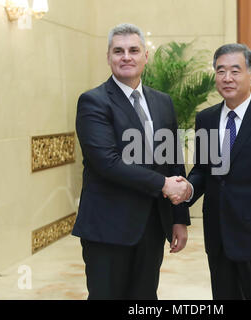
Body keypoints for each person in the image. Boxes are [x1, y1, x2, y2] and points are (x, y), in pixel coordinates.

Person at [72, 23, 191, 300]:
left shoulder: (163, 102)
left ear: (145, 56)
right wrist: (163, 184)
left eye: (133, 50)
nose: (126, 56)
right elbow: (107, 162)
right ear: (109, 57)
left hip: (151, 226)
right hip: (107, 229)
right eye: (119, 51)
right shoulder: (93, 102)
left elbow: (173, 159)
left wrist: (179, 219)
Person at [178, 43, 251, 299]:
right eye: (221, 71)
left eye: (235, 70)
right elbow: (203, 169)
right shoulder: (206, 119)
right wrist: (188, 189)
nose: (227, 78)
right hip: (218, 237)